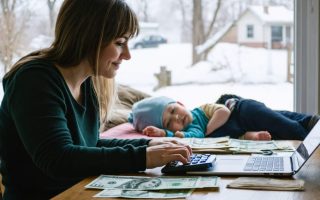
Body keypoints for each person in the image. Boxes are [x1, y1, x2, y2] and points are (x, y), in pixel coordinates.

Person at [0, 0, 191, 199]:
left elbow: (88, 146)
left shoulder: (86, 83)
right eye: (119, 43)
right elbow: (58, 159)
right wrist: (143, 157)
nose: (127, 55)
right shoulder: (34, 80)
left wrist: (148, 146)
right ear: (89, 36)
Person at [128, 95, 317, 140]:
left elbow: (223, 112)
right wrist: (166, 135)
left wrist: (209, 132)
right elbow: (194, 139)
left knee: (280, 121)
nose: (177, 116)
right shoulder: (191, 132)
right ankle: (309, 123)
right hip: (243, 129)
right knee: (277, 129)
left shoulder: (200, 111)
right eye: (170, 122)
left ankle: (307, 128)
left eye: (173, 110)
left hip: (243, 110)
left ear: (180, 103)